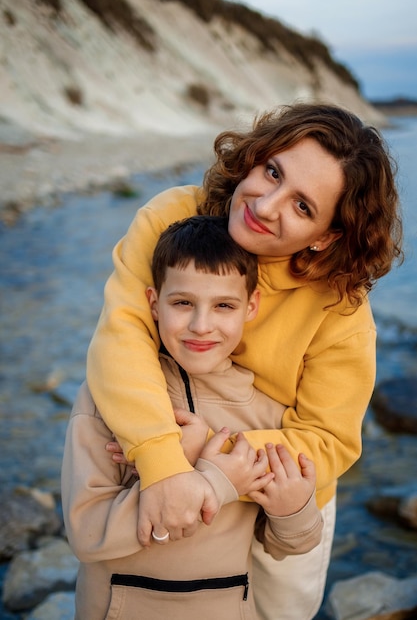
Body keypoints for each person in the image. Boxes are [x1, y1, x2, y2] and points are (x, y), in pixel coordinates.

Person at [86, 103, 403, 619]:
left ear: (327, 236)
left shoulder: (340, 308)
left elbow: (329, 439)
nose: (266, 204)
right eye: (272, 172)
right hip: (170, 464)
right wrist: (163, 463)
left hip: (278, 502)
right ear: (254, 158)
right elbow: (122, 337)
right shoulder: (172, 219)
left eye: (303, 207)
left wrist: (210, 453)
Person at [61, 215, 323, 620]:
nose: (202, 326)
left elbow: (286, 544)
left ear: (250, 307)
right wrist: (211, 482)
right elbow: (86, 534)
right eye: (183, 303)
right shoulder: (106, 397)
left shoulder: (267, 413)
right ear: (153, 303)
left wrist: (292, 509)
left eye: (224, 306)